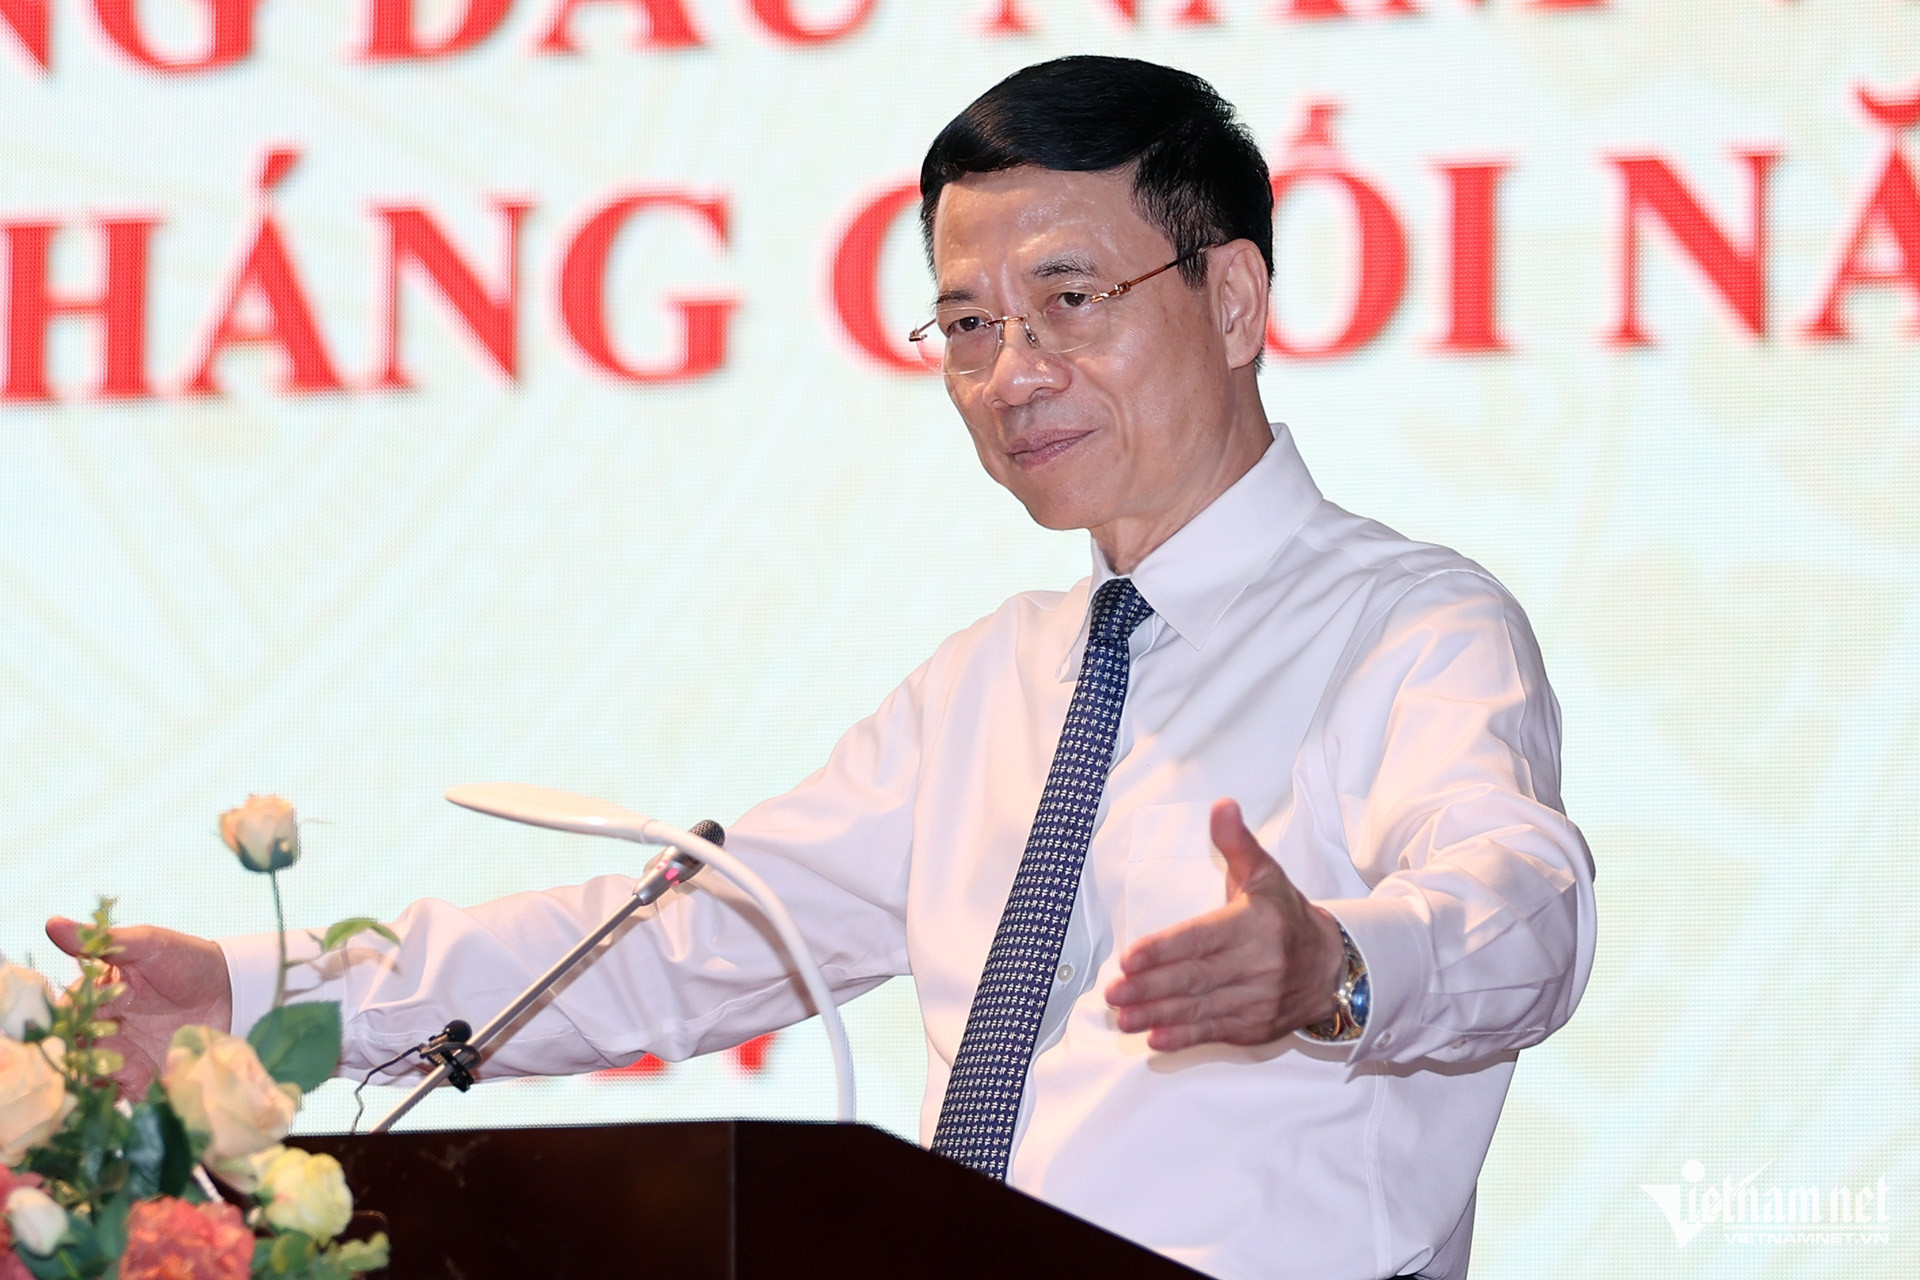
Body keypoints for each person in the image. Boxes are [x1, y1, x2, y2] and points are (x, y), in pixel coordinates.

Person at [48, 56, 1594, 1280]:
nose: (1012, 374)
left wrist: (1338, 967)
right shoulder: (992, 681)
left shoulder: (1411, 628)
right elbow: (676, 939)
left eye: (1070, 301)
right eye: (968, 323)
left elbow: (1527, 904)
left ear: (1236, 299)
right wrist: (258, 995)